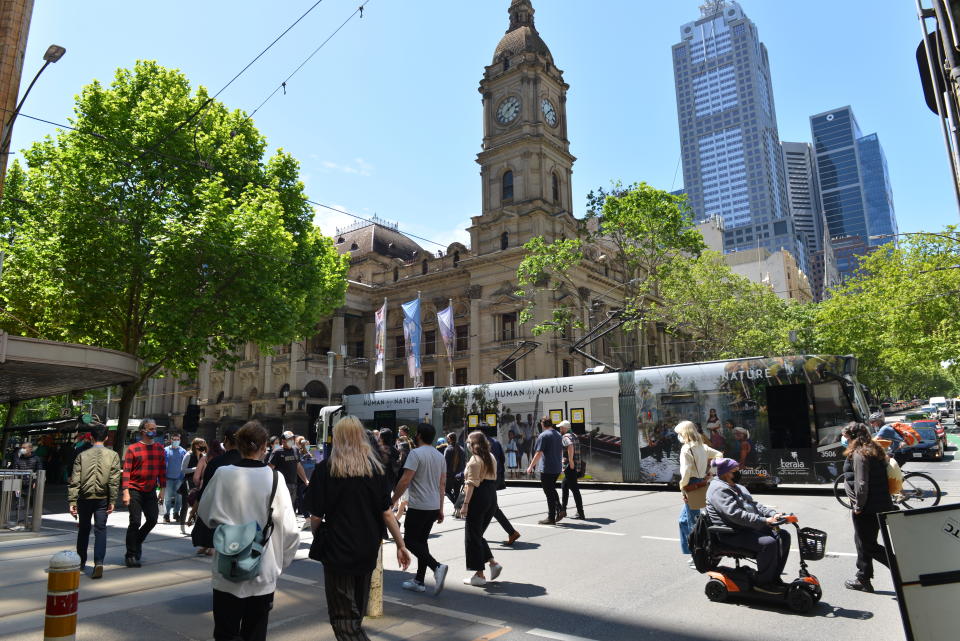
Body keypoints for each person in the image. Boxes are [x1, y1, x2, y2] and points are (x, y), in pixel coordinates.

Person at [306, 417, 411, 640]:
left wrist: (319, 535)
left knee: (344, 619)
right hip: (368, 548)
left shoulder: (325, 469)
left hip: (337, 550)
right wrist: (400, 545)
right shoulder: (376, 470)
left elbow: (315, 516)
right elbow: (386, 512)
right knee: (356, 613)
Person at [198, 421, 299, 641]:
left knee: (225, 632)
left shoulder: (223, 474)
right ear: (264, 446)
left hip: (227, 565)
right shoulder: (275, 478)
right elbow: (290, 530)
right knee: (255, 631)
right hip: (262, 567)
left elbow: (205, 513)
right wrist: (281, 562)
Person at [705, 457, 790, 594]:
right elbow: (735, 515)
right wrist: (763, 521)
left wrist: (774, 514)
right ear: (726, 473)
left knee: (783, 536)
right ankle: (763, 584)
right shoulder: (718, 489)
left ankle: (772, 577)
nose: (739, 472)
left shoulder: (737, 486)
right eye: (736, 470)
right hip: (731, 533)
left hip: (746, 528)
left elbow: (754, 505)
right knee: (768, 543)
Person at [391, 423, 448, 595]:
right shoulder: (439, 456)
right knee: (421, 542)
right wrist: (440, 508)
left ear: (419, 435)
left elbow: (405, 480)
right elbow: (442, 484)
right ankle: (419, 580)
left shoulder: (415, 454)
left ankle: (437, 566)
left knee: (409, 541)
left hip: (419, 505)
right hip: (432, 506)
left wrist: (393, 500)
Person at [841, 422, 894, 592]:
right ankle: (863, 577)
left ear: (853, 437)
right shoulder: (874, 450)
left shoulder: (859, 454)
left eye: (847, 437)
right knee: (861, 541)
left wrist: (858, 506)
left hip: (867, 507)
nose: (845, 440)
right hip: (879, 503)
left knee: (868, 545)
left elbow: (862, 484)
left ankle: (899, 567)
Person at [68, 424, 121, 578]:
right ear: (106, 438)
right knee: (101, 529)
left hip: (84, 498)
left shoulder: (81, 456)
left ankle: (81, 561)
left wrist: (72, 502)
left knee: (84, 529)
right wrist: (112, 500)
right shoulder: (113, 456)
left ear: (90, 437)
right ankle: (98, 562)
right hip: (102, 498)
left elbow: (75, 480)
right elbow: (113, 480)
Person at [460, 430, 504, 586]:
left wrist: (465, 505)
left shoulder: (474, 460)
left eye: (468, 442)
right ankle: (492, 563)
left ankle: (479, 575)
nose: (466, 444)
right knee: (477, 534)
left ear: (473, 444)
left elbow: (471, 485)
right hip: (491, 495)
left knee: (472, 536)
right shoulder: (490, 457)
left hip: (478, 496)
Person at [676, 421, 721, 566]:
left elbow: (686, 472)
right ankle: (693, 552)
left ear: (684, 433)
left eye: (679, 433)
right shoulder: (703, 446)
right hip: (701, 483)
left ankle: (699, 556)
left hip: (691, 484)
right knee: (684, 520)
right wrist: (711, 472)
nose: (678, 436)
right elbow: (719, 454)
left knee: (693, 523)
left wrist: (682, 487)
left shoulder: (686, 449)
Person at [121, 419, 166, 567]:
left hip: (151, 490)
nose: (153, 430)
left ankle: (136, 541)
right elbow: (126, 471)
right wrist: (125, 492)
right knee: (135, 521)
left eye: (154, 428)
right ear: (143, 431)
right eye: (150, 428)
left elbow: (162, 471)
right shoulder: (133, 449)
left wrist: (163, 490)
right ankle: (131, 555)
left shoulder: (159, 449)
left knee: (152, 519)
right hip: (134, 490)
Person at [484, 426, 521, 546]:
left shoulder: (482, 443)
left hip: (485, 479)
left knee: (488, 507)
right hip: (496, 477)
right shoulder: (496, 442)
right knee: (491, 507)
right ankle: (511, 532)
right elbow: (502, 459)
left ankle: (476, 535)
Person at [526, 417, 564, 524]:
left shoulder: (543, 435)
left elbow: (538, 453)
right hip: (556, 467)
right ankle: (560, 509)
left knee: (548, 493)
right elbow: (561, 451)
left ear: (543, 424)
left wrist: (530, 466)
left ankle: (551, 517)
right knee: (551, 489)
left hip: (547, 468)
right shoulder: (558, 434)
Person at [269, 430, 309, 506]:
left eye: (292, 439)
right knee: (282, 508)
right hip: (281, 486)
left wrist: (305, 480)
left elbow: (298, 466)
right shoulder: (277, 452)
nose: (291, 441)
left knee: (291, 507)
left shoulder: (295, 450)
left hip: (293, 485)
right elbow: (270, 469)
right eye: (289, 439)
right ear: (283, 441)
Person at [557, 420, 585, 520]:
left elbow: (570, 446)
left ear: (565, 428)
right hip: (575, 467)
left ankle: (580, 513)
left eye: (561, 428)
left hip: (570, 467)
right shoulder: (574, 435)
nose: (560, 429)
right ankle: (564, 510)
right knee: (564, 485)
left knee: (575, 490)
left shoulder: (565, 437)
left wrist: (570, 461)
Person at [179, 438, 206, 532]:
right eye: (201, 444)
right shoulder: (188, 455)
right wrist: (195, 469)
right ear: (195, 445)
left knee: (197, 504)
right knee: (186, 504)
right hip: (188, 481)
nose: (203, 446)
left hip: (199, 482)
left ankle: (196, 526)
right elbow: (183, 469)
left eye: (204, 443)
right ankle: (182, 525)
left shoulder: (203, 456)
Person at [162, 432, 187, 524]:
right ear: (171, 440)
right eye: (174, 439)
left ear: (180, 440)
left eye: (177, 439)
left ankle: (176, 513)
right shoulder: (165, 450)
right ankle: (166, 514)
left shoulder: (183, 451)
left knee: (179, 498)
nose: (175, 441)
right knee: (167, 498)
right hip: (168, 478)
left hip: (179, 478)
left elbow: (185, 465)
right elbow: (162, 464)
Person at [444, 432, 466, 512]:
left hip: (450, 476)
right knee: (457, 492)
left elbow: (445, 464)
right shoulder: (462, 449)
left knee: (447, 491)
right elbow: (464, 463)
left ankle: (457, 506)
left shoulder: (448, 449)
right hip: (459, 475)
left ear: (449, 439)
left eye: (447, 438)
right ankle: (457, 509)